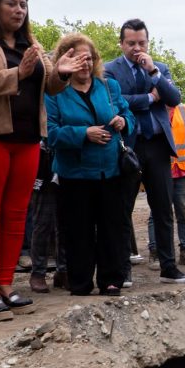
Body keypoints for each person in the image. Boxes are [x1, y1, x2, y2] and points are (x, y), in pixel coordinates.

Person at [0, 0, 87, 320]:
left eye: (23, 5)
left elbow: (49, 87)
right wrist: (19, 72)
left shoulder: (30, 40)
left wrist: (59, 73)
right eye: (12, 3)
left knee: (16, 213)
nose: (19, 10)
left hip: (27, 138)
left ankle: (5, 284)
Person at [104, 19, 185, 285]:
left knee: (163, 208)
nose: (136, 48)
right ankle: (122, 271)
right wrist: (152, 99)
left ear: (148, 43)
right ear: (121, 44)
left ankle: (169, 268)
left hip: (156, 146)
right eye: (131, 43)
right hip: (126, 147)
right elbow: (117, 102)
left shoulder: (159, 69)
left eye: (141, 43)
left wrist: (153, 71)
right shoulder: (110, 70)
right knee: (122, 210)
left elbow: (174, 99)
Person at [46, 33, 136, 296]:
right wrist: (84, 134)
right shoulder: (54, 93)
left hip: (111, 170)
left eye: (89, 58)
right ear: (65, 60)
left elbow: (127, 113)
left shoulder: (108, 87)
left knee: (112, 227)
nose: (84, 64)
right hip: (75, 174)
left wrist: (123, 121)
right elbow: (51, 133)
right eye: (77, 58)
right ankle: (80, 281)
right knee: (78, 230)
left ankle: (111, 279)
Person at [147, 103, 185, 268]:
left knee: (183, 214)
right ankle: (155, 253)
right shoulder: (150, 109)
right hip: (159, 171)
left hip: (182, 170)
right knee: (156, 214)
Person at [26, 140, 67, 293]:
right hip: (44, 162)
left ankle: (64, 270)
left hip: (68, 160)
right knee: (42, 223)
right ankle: (38, 272)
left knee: (66, 224)